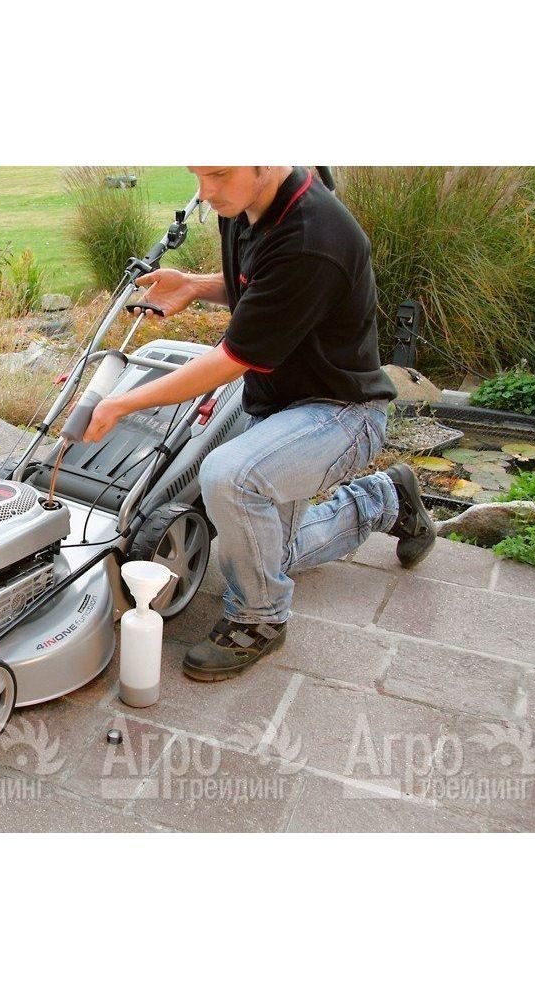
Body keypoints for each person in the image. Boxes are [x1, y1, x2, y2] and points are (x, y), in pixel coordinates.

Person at [82, 166, 436, 682]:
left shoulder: (314, 236)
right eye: (198, 174)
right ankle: (387, 498)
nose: (205, 193)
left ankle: (259, 619)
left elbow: (232, 359)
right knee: (269, 553)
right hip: (280, 406)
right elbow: (261, 284)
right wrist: (195, 285)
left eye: (219, 174)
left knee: (229, 477)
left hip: (341, 412)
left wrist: (121, 403)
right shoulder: (245, 204)